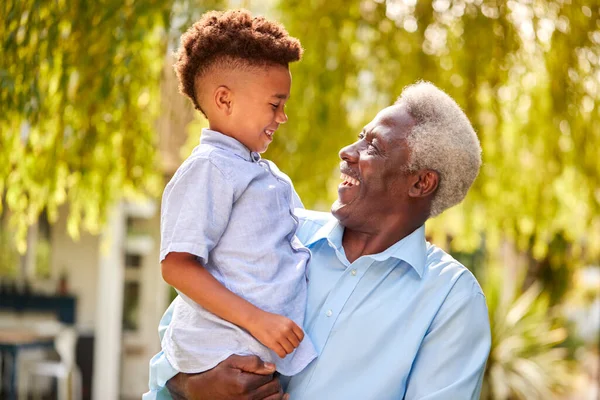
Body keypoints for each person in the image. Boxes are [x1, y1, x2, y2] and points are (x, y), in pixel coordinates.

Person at [150, 81, 491, 400]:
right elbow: (172, 344)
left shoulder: (452, 300)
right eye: (360, 136)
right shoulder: (280, 228)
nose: (347, 151)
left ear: (420, 183)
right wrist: (191, 386)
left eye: (373, 145)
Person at [144, 9, 319, 399]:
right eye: (275, 104)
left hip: (259, 359)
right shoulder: (209, 169)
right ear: (224, 99)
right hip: (223, 356)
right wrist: (259, 322)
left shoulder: (265, 174)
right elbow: (176, 265)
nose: (283, 116)